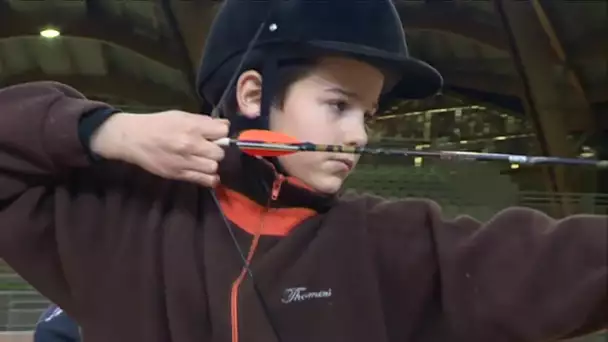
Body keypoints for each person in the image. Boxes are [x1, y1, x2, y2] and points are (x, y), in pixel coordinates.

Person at [0, 1, 605, 341]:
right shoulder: (126, 221)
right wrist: (105, 130)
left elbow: (560, 260)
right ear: (252, 93)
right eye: (338, 104)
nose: (358, 135)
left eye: (368, 114)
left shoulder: (386, 243)